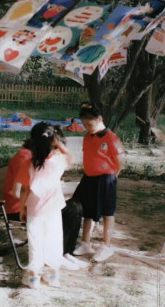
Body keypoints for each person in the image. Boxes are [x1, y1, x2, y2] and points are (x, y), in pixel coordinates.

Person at [18, 122, 72, 289]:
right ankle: (54, 276)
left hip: (35, 209)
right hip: (53, 209)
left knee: (35, 242)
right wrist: (59, 144)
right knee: (54, 240)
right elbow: (70, 157)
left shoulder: (28, 164)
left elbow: (24, 190)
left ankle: (34, 277)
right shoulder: (58, 161)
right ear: (53, 141)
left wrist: (22, 209)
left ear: (32, 141)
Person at [73, 102, 125, 262]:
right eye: (84, 124)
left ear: (100, 119)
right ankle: (86, 242)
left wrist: (113, 175)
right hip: (89, 177)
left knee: (107, 212)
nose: (87, 127)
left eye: (90, 124)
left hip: (106, 178)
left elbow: (121, 161)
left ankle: (106, 246)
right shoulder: (88, 137)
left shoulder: (111, 138)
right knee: (87, 211)